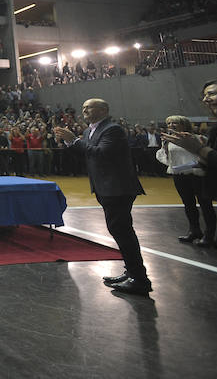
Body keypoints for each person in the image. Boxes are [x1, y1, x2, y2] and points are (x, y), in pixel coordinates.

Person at [55, 99, 151, 296]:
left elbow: (101, 153)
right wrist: (69, 143)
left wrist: (74, 141)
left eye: (88, 107)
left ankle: (140, 279)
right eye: (83, 108)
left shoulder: (112, 129)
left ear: (103, 110)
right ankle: (131, 271)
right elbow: (86, 156)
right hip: (104, 187)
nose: (84, 111)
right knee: (119, 230)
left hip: (118, 187)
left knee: (122, 231)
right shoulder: (88, 131)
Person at [156, 115, 213, 246]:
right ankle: (194, 230)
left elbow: (204, 154)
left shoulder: (196, 138)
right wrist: (165, 147)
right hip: (179, 174)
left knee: (205, 204)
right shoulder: (168, 141)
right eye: (168, 123)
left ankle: (209, 235)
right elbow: (167, 159)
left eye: (174, 123)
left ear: (184, 124)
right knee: (188, 204)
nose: (170, 125)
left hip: (197, 173)